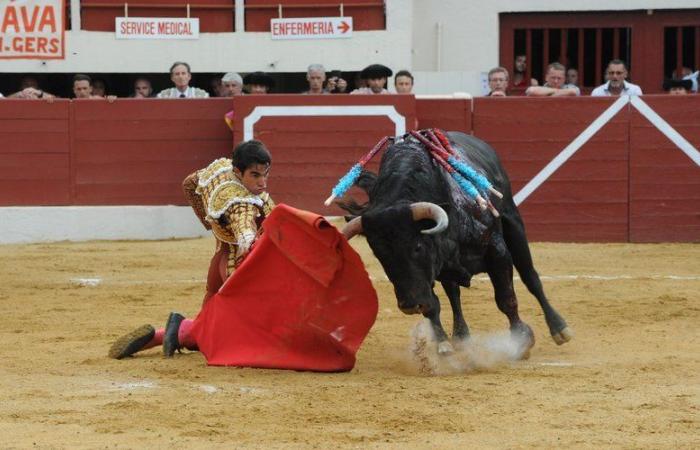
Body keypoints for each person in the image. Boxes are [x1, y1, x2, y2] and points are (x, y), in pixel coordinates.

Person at [108, 140, 275, 359]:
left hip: (219, 260)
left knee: (208, 321)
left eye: (265, 174)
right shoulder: (241, 202)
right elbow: (245, 234)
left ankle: (158, 337)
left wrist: (209, 222)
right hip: (235, 266)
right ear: (238, 171)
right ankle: (176, 331)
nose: (262, 182)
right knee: (240, 333)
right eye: (255, 175)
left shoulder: (221, 170)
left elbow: (190, 183)